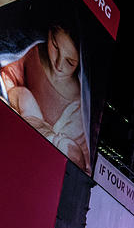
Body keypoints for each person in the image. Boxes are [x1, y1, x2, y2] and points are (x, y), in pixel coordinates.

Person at [0, 20, 90, 171]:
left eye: (70, 62)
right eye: (55, 47)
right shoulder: (31, 52)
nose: (59, 65)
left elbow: (80, 167)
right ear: (49, 34)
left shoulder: (81, 109)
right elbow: (8, 77)